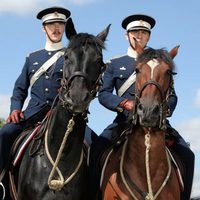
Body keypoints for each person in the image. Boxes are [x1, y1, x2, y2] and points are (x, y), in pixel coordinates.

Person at [89, 14, 194, 200]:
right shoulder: (114, 63)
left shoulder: (161, 62)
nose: (139, 35)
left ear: (149, 37)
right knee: (96, 149)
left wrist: (166, 109)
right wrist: (124, 103)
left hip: (157, 120)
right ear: (126, 36)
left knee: (187, 155)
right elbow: (104, 94)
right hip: (123, 121)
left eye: (143, 32)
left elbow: (172, 95)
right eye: (134, 32)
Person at [0, 6, 71, 200]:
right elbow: (19, 89)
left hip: (63, 115)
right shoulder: (32, 58)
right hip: (33, 113)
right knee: (5, 133)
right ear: (43, 28)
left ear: (64, 28)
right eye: (51, 25)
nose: (56, 29)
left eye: (60, 25)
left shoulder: (70, 56)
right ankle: (1, 182)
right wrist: (15, 109)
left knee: (91, 142)